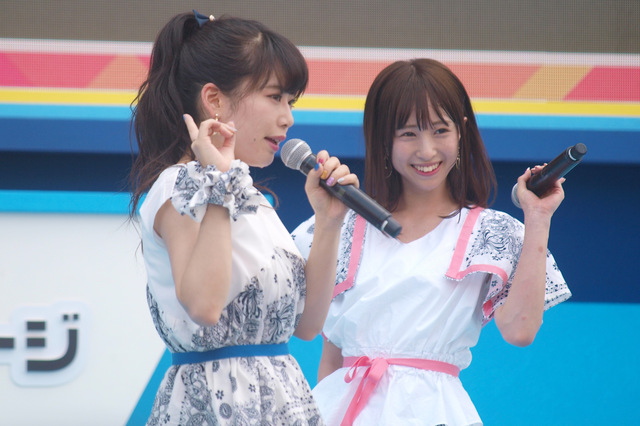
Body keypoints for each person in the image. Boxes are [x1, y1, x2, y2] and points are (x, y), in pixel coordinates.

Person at [292, 58, 572, 425]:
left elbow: (520, 330)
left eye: (440, 131)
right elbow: (332, 356)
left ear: (462, 131)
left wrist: (538, 217)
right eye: (408, 134)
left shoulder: (493, 232)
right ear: (383, 138)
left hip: (436, 411)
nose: (427, 151)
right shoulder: (338, 225)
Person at [129, 10, 358, 425]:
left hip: (283, 399)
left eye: (291, 101)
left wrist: (328, 222)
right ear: (214, 100)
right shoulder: (180, 185)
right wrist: (220, 186)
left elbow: (307, 326)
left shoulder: (250, 196)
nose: (288, 117)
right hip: (216, 404)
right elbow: (204, 304)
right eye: (274, 97)